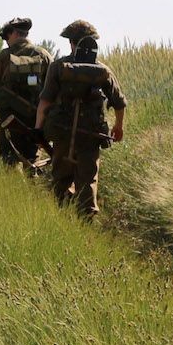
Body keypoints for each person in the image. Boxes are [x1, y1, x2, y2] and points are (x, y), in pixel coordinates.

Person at [35, 20, 127, 218]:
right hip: (91, 135)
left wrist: (38, 130)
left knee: (60, 177)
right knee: (88, 179)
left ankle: (61, 216)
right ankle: (86, 221)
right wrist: (118, 127)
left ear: (72, 43)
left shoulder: (59, 67)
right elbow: (119, 103)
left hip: (62, 132)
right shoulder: (103, 71)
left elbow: (44, 102)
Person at [0, 16, 52, 170]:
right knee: (32, 155)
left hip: (8, 117)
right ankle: (33, 182)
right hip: (35, 118)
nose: (6, 41)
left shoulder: (4, 56)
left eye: (6, 37)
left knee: (9, 157)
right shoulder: (43, 54)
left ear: (13, 33)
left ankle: (12, 186)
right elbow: (53, 88)